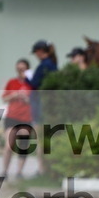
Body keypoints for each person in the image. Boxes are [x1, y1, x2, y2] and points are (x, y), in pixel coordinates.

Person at [27, 39, 58, 174]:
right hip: (49, 106)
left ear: (40, 52)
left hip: (40, 105)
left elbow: (34, 83)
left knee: (40, 139)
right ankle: (45, 169)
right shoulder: (53, 64)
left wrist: (26, 77)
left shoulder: (44, 66)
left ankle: (42, 169)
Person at [1, 59, 33, 180]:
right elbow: (4, 98)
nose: (21, 71)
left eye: (23, 69)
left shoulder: (32, 84)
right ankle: (4, 171)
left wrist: (27, 99)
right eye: (19, 69)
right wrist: (14, 95)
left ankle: (19, 172)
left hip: (26, 118)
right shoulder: (12, 82)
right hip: (12, 117)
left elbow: (36, 100)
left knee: (23, 145)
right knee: (9, 145)